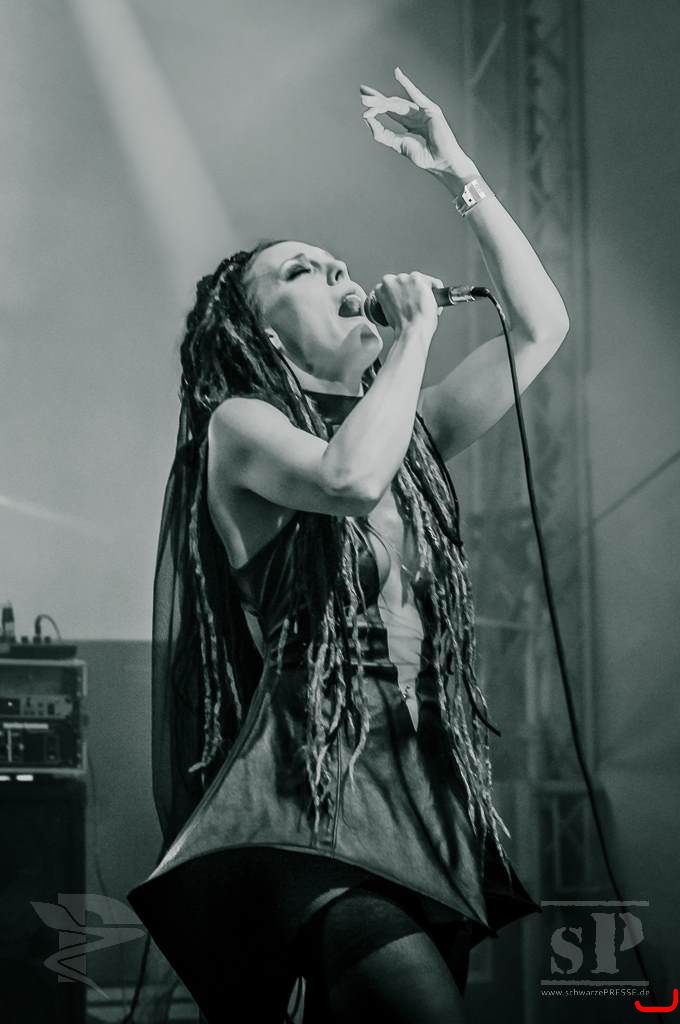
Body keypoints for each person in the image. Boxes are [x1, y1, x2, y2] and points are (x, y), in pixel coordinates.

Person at [127, 67, 569, 1023]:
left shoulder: (408, 428)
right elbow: (347, 480)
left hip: (421, 787)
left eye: (335, 261)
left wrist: (455, 170)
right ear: (260, 333)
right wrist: (411, 340)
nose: (337, 273)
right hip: (314, 794)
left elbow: (541, 328)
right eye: (301, 271)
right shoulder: (240, 427)